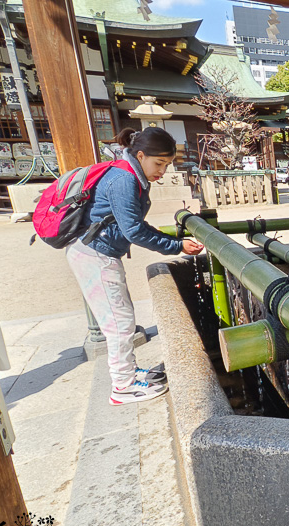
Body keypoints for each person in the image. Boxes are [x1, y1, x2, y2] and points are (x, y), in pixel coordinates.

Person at [66, 127, 204, 405]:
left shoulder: (128, 172)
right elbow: (134, 231)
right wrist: (176, 246)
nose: (162, 171)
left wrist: (170, 239)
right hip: (95, 254)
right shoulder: (124, 180)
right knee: (120, 322)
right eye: (159, 163)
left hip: (98, 251)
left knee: (121, 316)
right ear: (140, 155)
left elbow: (133, 224)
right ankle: (122, 386)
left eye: (166, 165)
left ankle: (127, 372)